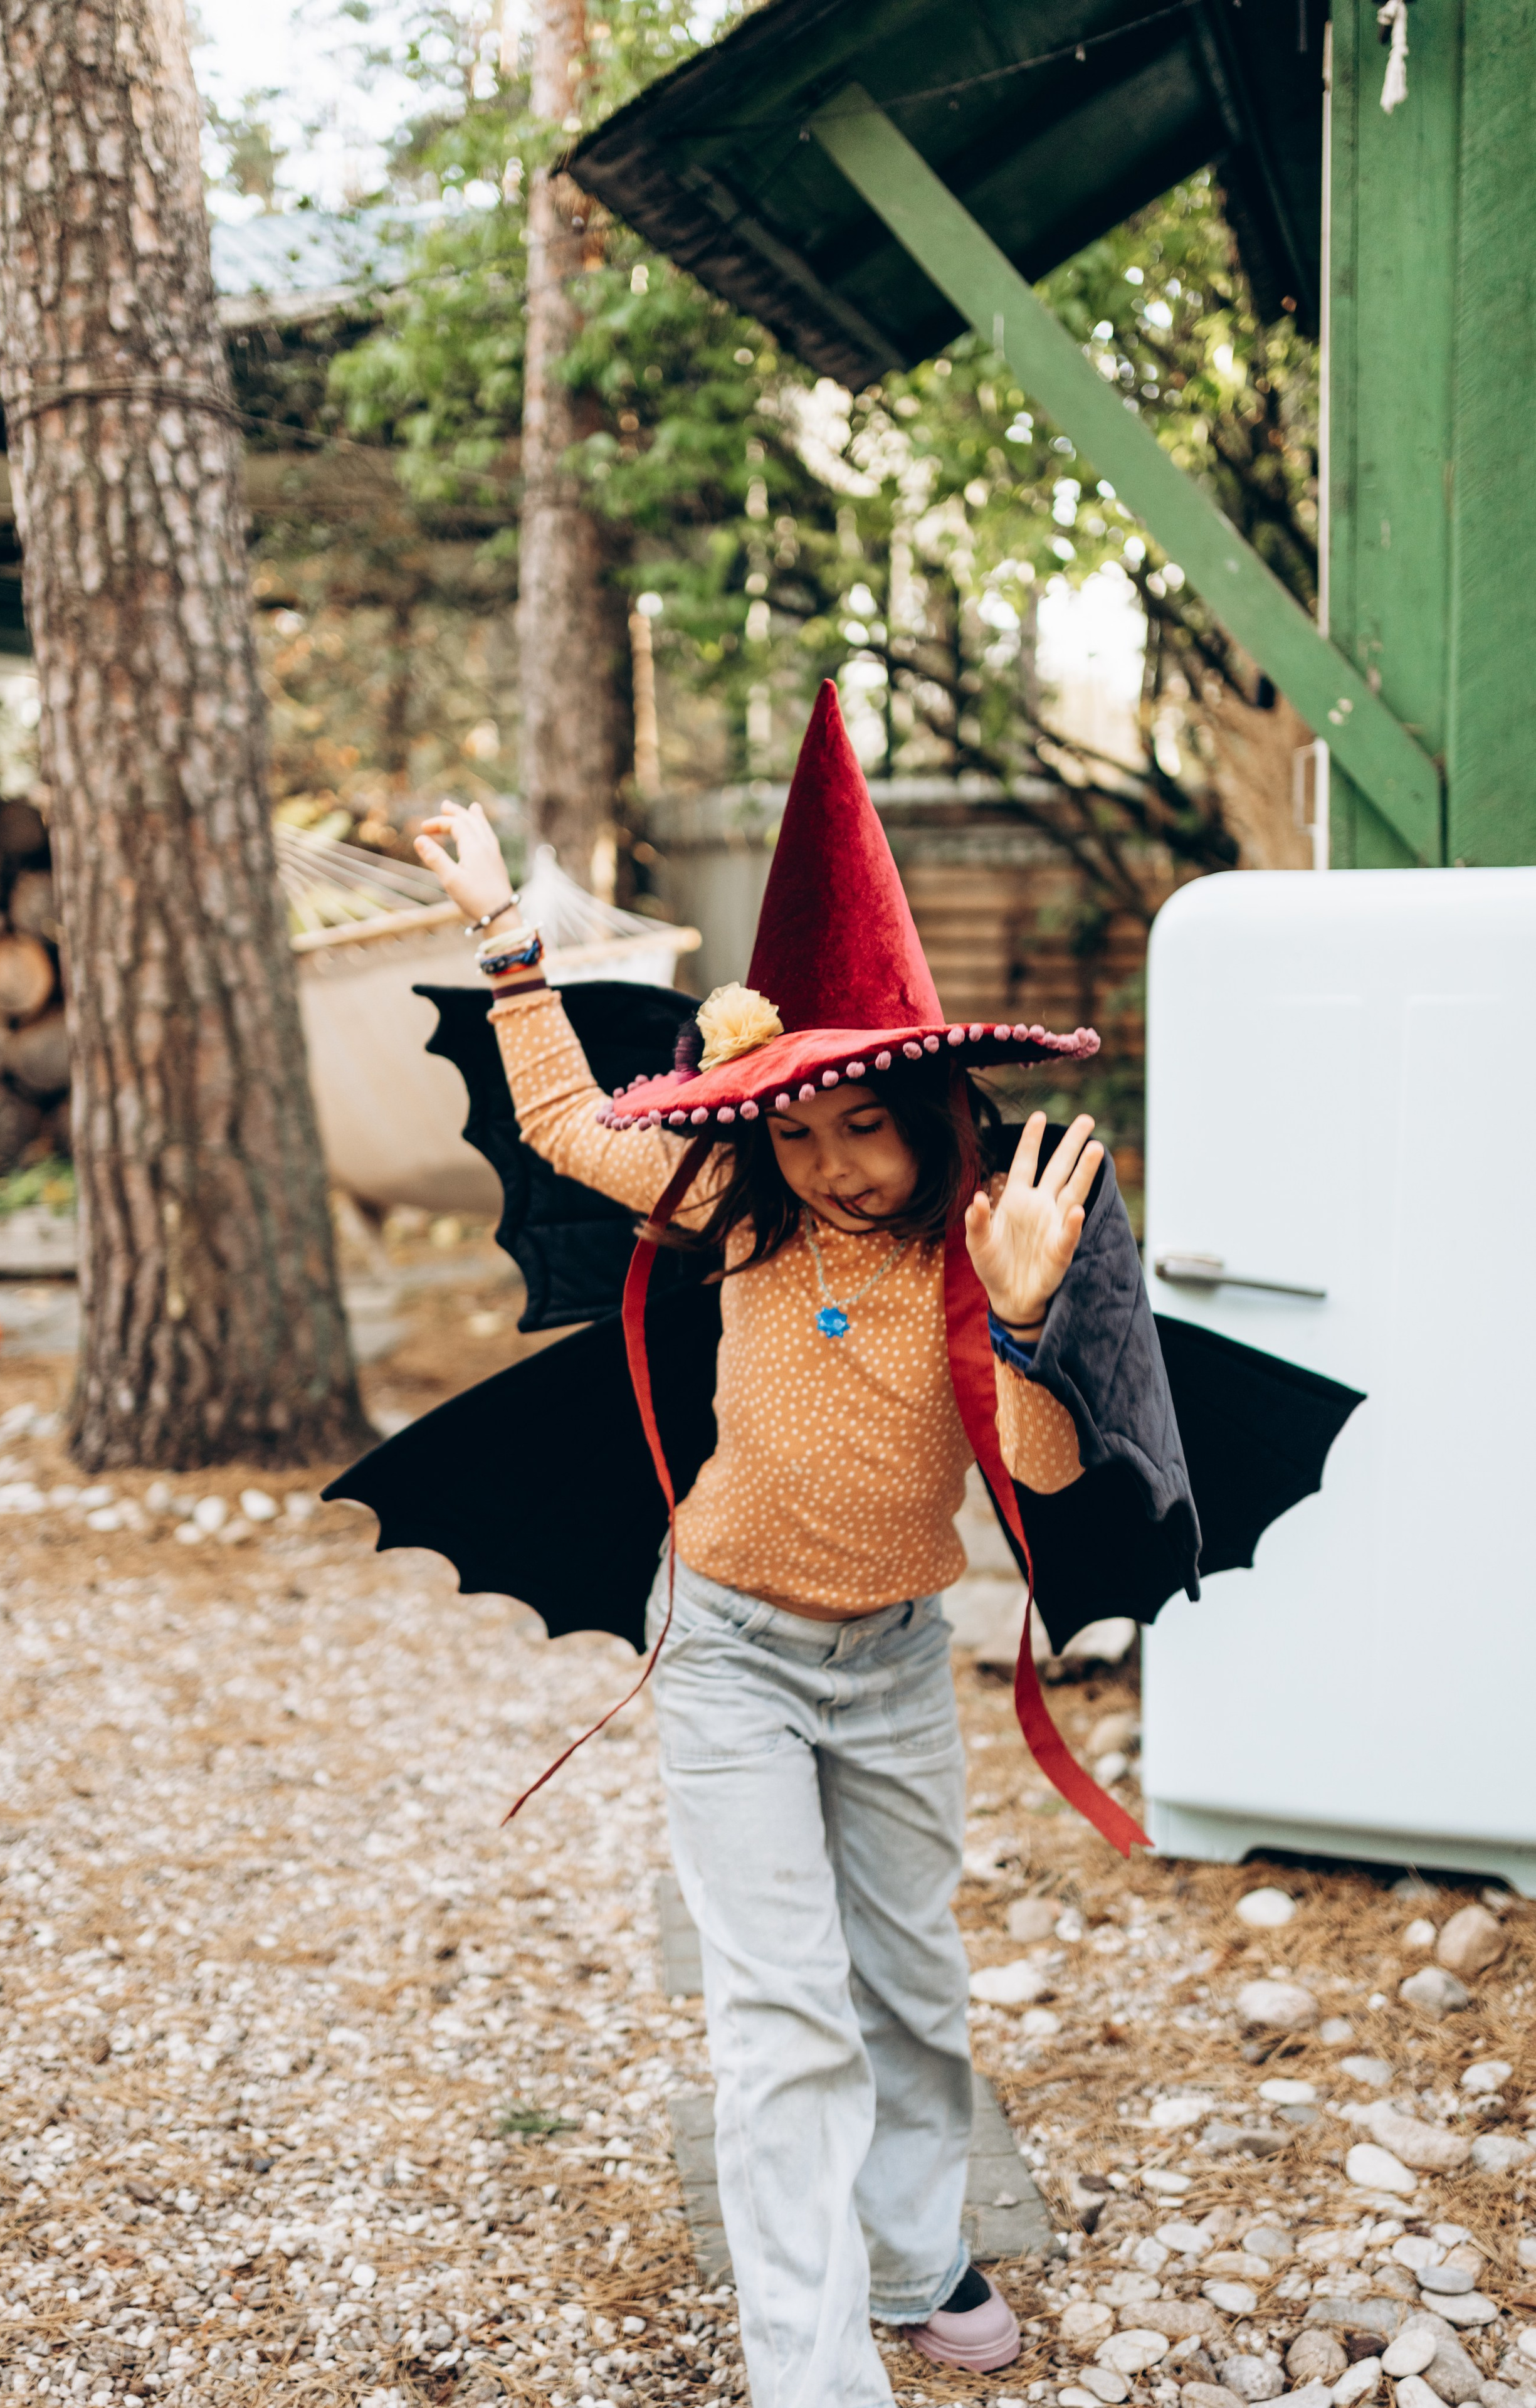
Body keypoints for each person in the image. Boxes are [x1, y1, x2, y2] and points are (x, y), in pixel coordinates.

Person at [409, 687, 1151, 2408]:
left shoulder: (982, 1251)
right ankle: (812, 2370)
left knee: (911, 1985)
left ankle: (912, 2248)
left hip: (893, 1664)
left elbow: (1042, 1474)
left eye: (862, 1126)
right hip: (731, 1649)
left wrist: (1030, 1323)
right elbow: (567, 1126)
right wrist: (509, 942)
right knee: (786, 2014)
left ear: (930, 1110)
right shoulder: (737, 1210)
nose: (831, 1166)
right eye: (796, 1129)